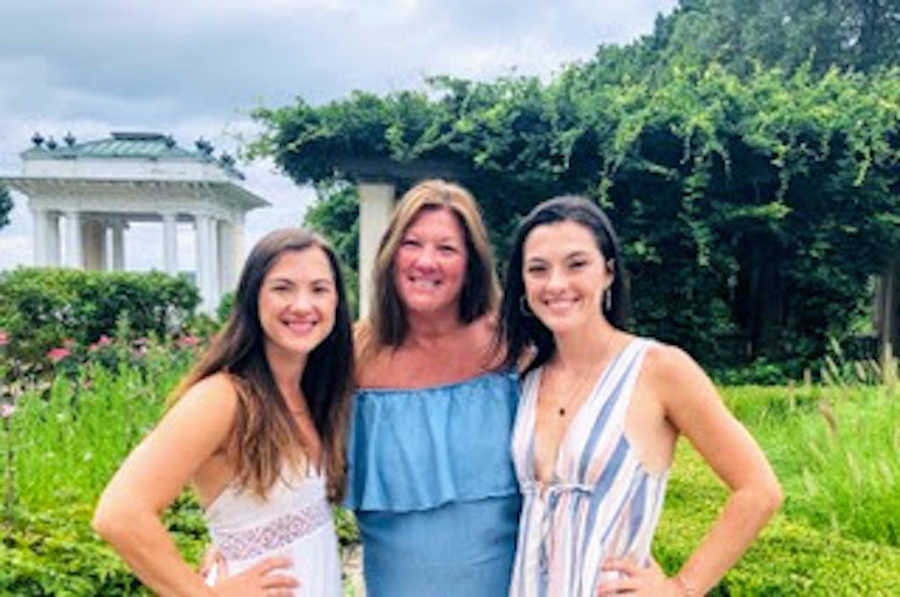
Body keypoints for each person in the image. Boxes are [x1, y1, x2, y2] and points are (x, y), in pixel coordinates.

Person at [498, 196, 783, 596]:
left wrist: (682, 587)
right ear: (524, 284)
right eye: (538, 269)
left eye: (577, 264)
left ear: (608, 273)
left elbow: (759, 489)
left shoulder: (657, 369)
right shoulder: (524, 376)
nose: (556, 284)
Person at [92, 229, 354, 596]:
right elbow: (120, 513)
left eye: (319, 289)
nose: (302, 305)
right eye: (282, 288)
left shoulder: (312, 392)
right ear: (252, 298)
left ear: (337, 302)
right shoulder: (223, 398)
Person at [345, 179, 521, 596]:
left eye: (447, 248)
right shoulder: (352, 356)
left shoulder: (514, 348)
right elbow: (281, 446)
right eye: (412, 243)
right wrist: (233, 539)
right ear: (390, 254)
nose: (427, 262)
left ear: (471, 263)